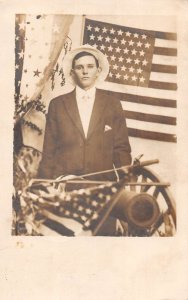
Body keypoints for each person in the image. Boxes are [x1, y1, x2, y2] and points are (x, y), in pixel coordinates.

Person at [37, 45, 132, 235]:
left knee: (102, 247)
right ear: (72, 72)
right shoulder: (57, 104)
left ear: (98, 71)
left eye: (90, 66)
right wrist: (43, 187)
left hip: (103, 190)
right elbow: (49, 151)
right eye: (80, 67)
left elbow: (121, 149)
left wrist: (126, 187)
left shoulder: (112, 104)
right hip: (66, 189)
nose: (85, 70)